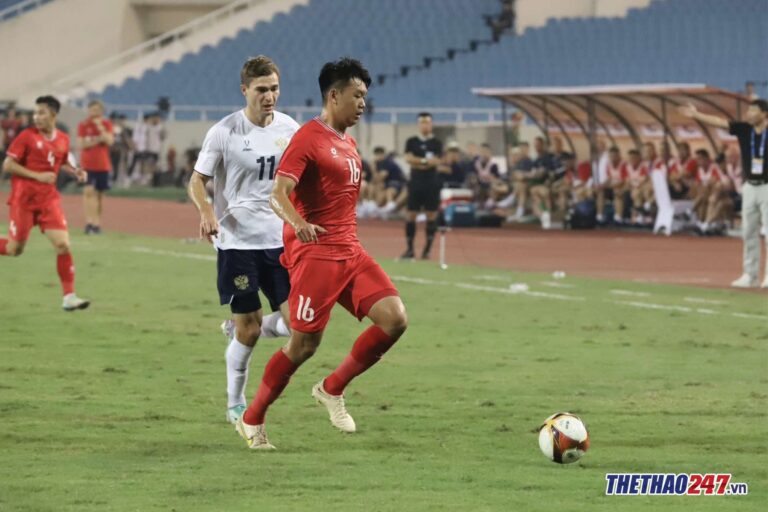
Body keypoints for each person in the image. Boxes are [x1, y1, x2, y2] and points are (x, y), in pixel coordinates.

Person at [236, 58, 408, 450]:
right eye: (357, 95)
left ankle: (332, 388)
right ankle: (252, 417)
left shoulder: (348, 142)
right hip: (316, 257)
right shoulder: (308, 138)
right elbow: (277, 194)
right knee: (303, 347)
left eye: (365, 96)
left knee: (395, 319)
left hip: (351, 252)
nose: (363, 103)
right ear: (334, 95)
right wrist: (298, 223)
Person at [188, 56, 295, 425]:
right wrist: (206, 211)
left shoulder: (290, 129)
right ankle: (235, 403)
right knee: (249, 332)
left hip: (279, 241)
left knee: (300, 326)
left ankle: (241, 327)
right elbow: (197, 180)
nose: (270, 96)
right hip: (237, 244)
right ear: (244, 90)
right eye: (262, 89)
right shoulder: (224, 131)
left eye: (275, 88)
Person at [0, 95, 90, 311]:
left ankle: (69, 297)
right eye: (35, 113)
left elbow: (62, 160)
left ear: (53, 115)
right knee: (14, 249)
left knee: (63, 245)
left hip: (48, 200)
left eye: (41, 113)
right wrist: (37, 176)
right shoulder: (26, 136)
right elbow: (8, 165)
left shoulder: (62, 139)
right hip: (24, 200)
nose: (36, 117)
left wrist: (76, 171)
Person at [680, 100, 768, 287]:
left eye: (753, 111)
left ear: (764, 114)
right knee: (748, 231)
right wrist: (696, 115)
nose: (749, 114)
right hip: (750, 186)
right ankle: (750, 275)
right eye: (748, 110)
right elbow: (720, 122)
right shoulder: (745, 130)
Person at [402, 112, 443, 259]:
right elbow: (408, 158)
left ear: (431, 124)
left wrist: (418, 161)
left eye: (428, 122)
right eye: (422, 122)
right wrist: (425, 162)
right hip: (416, 181)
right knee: (411, 214)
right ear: (418, 125)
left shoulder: (437, 143)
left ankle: (427, 249)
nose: (425, 125)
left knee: (431, 214)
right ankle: (410, 249)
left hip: (431, 182)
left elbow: (436, 161)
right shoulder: (411, 141)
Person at [78, 100, 114, 234]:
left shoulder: (106, 124)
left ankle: (97, 223)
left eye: (97, 110)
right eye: (92, 109)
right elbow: (82, 144)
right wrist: (98, 140)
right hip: (87, 164)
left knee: (99, 195)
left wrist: (100, 128)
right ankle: (89, 222)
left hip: (103, 165)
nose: (95, 112)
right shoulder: (83, 125)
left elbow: (109, 141)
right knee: (88, 192)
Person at [596, 146, 626, 223]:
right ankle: (599, 216)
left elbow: (623, 181)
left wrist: (609, 186)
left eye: (614, 156)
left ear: (618, 156)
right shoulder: (609, 165)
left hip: (622, 187)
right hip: (612, 186)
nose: (613, 158)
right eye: (611, 156)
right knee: (601, 192)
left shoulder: (623, 165)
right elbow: (609, 178)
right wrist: (602, 185)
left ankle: (618, 217)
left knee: (617, 192)